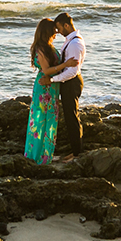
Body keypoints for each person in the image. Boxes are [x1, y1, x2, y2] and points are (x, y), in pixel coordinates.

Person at [25, 18, 78, 165]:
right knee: (41, 120)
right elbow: (47, 70)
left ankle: (46, 153)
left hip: (52, 87)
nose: (56, 33)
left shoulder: (49, 46)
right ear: (47, 32)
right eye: (54, 31)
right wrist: (66, 64)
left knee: (50, 119)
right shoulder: (41, 48)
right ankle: (37, 155)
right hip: (44, 87)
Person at [40, 12, 85, 163]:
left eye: (59, 28)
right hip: (68, 82)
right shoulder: (70, 41)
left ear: (66, 25)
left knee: (72, 117)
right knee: (69, 116)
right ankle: (74, 150)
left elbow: (72, 71)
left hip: (71, 83)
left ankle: (77, 154)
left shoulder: (75, 43)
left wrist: (52, 79)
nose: (57, 32)